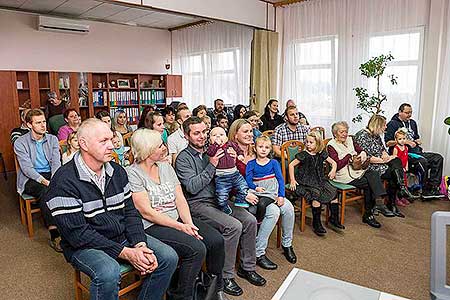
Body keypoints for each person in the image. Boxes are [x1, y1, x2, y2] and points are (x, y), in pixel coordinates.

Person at [44, 118, 178, 300]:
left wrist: (140, 244)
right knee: (108, 272)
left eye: (111, 139)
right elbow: (78, 234)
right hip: (83, 245)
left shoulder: (118, 171)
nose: (112, 146)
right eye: (103, 141)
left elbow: (130, 213)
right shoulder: (63, 181)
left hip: (120, 236)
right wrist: (126, 253)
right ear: (83, 144)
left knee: (168, 257)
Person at [126, 128, 227, 300]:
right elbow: (147, 212)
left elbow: (180, 199)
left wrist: (189, 224)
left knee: (216, 240)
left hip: (177, 218)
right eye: (160, 146)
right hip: (152, 226)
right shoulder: (132, 173)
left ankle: (215, 290)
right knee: (196, 249)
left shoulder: (166, 167)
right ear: (148, 150)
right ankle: (181, 296)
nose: (165, 148)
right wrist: (181, 226)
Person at [175, 117, 266, 297]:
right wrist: (213, 165)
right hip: (197, 204)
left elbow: (229, 178)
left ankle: (247, 267)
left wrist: (231, 163)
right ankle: (225, 277)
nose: (202, 136)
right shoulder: (183, 158)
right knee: (233, 226)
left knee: (248, 219)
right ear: (186, 136)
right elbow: (193, 187)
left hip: (218, 200)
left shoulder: (216, 150)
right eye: (196, 133)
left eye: (204, 132)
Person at [229, 119, 296, 270]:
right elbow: (231, 182)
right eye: (245, 131)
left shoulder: (257, 150)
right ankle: (259, 252)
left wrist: (280, 194)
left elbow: (277, 177)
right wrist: (248, 192)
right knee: (273, 211)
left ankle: (287, 244)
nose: (249, 134)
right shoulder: (231, 153)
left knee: (288, 208)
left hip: (268, 193)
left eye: (250, 131)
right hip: (244, 195)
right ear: (235, 134)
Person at [14, 109, 62, 251]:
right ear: (29, 125)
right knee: (46, 191)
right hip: (30, 178)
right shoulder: (20, 143)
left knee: (70, 186)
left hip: (50, 174)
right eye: (38, 122)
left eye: (44, 122)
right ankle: (55, 235)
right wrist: (47, 182)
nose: (43, 125)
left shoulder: (52, 139)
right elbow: (27, 169)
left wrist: (54, 178)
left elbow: (56, 162)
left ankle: (73, 227)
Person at [327, 121, 387, 228]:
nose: (345, 134)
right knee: (369, 184)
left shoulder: (350, 139)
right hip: (342, 176)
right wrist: (348, 156)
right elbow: (337, 165)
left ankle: (377, 204)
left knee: (373, 172)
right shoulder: (331, 145)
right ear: (335, 133)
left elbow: (359, 149)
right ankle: (370, 213)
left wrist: (363, 152)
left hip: (356, 171)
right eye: (342, 132)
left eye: (346, 131)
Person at [354, 115, 415, 219]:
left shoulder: (376, 134)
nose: (386, 127)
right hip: (370, 167)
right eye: (384, 125)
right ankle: (395, 198)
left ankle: (397, 195)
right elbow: (367, 158)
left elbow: (382, 149)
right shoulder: (362, 135)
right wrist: (384, 160)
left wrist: (387, 156)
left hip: (380, 163)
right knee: (394, 173)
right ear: (377, 125)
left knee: (396, 161)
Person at [288, 131, 344, 236]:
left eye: (311, 142)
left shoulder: (321, 153)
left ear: (317, 143)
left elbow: (333, 163)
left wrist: (333, 170)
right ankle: (316, 222)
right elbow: (291, 165)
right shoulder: (303, 155)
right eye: (307, 142)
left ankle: (334, 218)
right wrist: (292, 180)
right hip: (306, 181)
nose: (308, 144)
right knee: (316, 194)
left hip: (319, 179)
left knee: (333, 191)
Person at [385, 103, 444, 199]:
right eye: (407, 112)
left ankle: (433, 188)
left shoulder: (412, 123)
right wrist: (405, 142)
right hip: (403, 154)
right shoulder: (392, 124)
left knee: (438, 158)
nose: (409, 115)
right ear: (400, 112)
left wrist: (417, 140)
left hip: (417, 152)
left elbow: (416, 137)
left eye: (411, 112)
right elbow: (388, 143)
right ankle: (424, 190)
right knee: (422, 162)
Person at [206, 127, 249, 214]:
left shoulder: (230, 144)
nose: (218, 137)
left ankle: (240, 200)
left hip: (234, 173)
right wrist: (216, 145)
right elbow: (210, 153)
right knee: (222, 195)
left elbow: (238, 149)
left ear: (226, 137)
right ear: (210, 139)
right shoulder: (212, 148)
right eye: (214, 135)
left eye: (221, 135)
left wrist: (239, 155)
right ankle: (223, 207)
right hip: (221, 177)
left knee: (243, 187)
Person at [245, 136, 284, 223]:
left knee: (262, 204)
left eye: (266, 147)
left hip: (270, 191)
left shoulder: (274, 163)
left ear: (270, 149)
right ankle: (248, 224)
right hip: (255, 190)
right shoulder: (251, 164)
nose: (263, 150)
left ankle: (258, 222)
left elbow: (280, 179)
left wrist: (281, 195)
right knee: (244, 203)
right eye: (260, 147)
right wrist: (255, 187)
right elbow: (248, 180)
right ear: (255, 148)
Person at [392, 128, 411, 206]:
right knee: (398, 183)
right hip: (398, 169)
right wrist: (400, 168)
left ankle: (402, 196)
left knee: (404, 184)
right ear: (396, 140)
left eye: (404, 138)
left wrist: (406, 166)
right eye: (400, 139)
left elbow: (406, 159)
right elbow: (394, 160)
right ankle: (396, 198)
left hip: (403, 168)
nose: (402, 140)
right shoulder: (396, 148)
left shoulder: (406, 148)